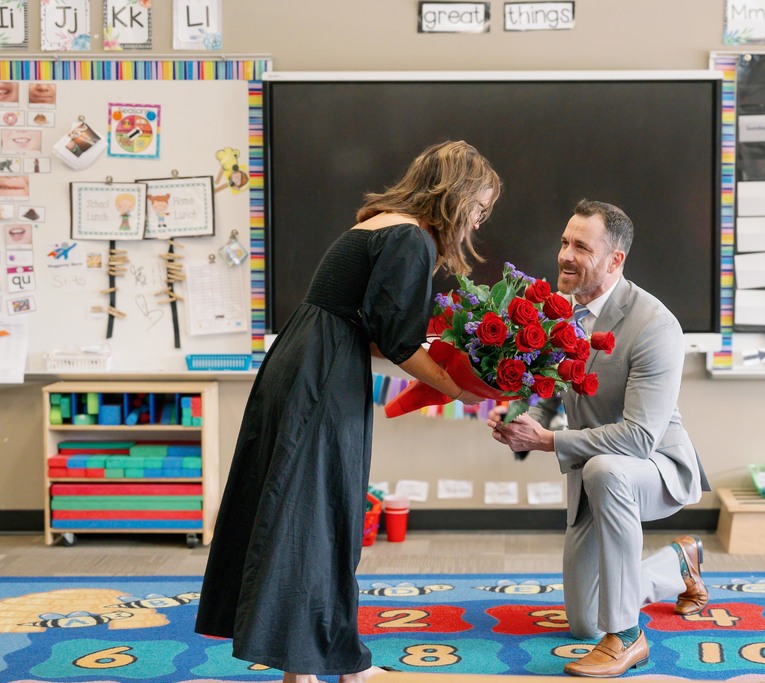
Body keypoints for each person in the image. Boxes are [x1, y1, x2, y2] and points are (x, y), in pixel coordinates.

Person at [196, 140, 501, 683]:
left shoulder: (380, 224)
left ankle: (313, 663)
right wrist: (459, 387)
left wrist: (447, 359)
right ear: (455, 195)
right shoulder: (409, 238)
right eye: (478, 208)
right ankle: (318, 664)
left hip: (304, 360)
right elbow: (400, 343)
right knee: (320, 517)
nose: (477, 222)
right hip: (323, 375)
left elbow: (374, 330)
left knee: (304, 511)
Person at [487, 199, 710, 678]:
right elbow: (549, 395)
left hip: (655, 467)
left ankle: (627, 637)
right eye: (565, 242)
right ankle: (679, 561)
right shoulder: (557, 311)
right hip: (593, 477)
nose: (565, 255)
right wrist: (519, 418)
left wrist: (549, 442)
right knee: (584, 623)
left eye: (581, 247)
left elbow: (639, 437)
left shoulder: (655, 325)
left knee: (606, 469)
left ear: (615, 260)